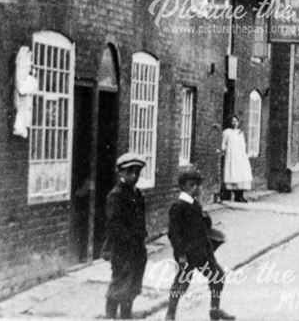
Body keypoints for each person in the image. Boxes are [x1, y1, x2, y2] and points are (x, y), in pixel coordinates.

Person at [165, 167, 235, 321]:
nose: (195, 188)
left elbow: (204, 226)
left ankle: (214, 310)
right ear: (183, 186)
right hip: (187, 254)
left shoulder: (195, 204)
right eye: (191, 185)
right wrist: (181, 254)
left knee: (217, 277)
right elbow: (173, 233)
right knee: (181, 284)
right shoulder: (178, 206)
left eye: (197, 185)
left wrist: (204, 216)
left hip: (201, 252)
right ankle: (170, 314)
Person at [103, 153, 148, 319]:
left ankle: (126, 317)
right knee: (119, 285)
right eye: (130, 172)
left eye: (137, 172)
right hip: (122, 249)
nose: (135, 176)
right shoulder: (116, 195)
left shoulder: (137, 194)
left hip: (137, 248)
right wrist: (128, 241)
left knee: (132, 287)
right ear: (120, 172)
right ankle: (110, 317)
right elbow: (114, 224)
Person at [220, 116, 253, 202]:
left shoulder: (240, 133)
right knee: (232, 174)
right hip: (231, 157)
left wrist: (244, 155)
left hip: (240, 156)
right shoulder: (226, 132)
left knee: (242, 174)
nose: (234, 123)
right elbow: (223, 145)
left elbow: (243, 145)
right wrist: (224, 151)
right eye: (232, 121)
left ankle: (240, 196)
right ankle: (230, 194)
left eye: (236, 121)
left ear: (238, 122)